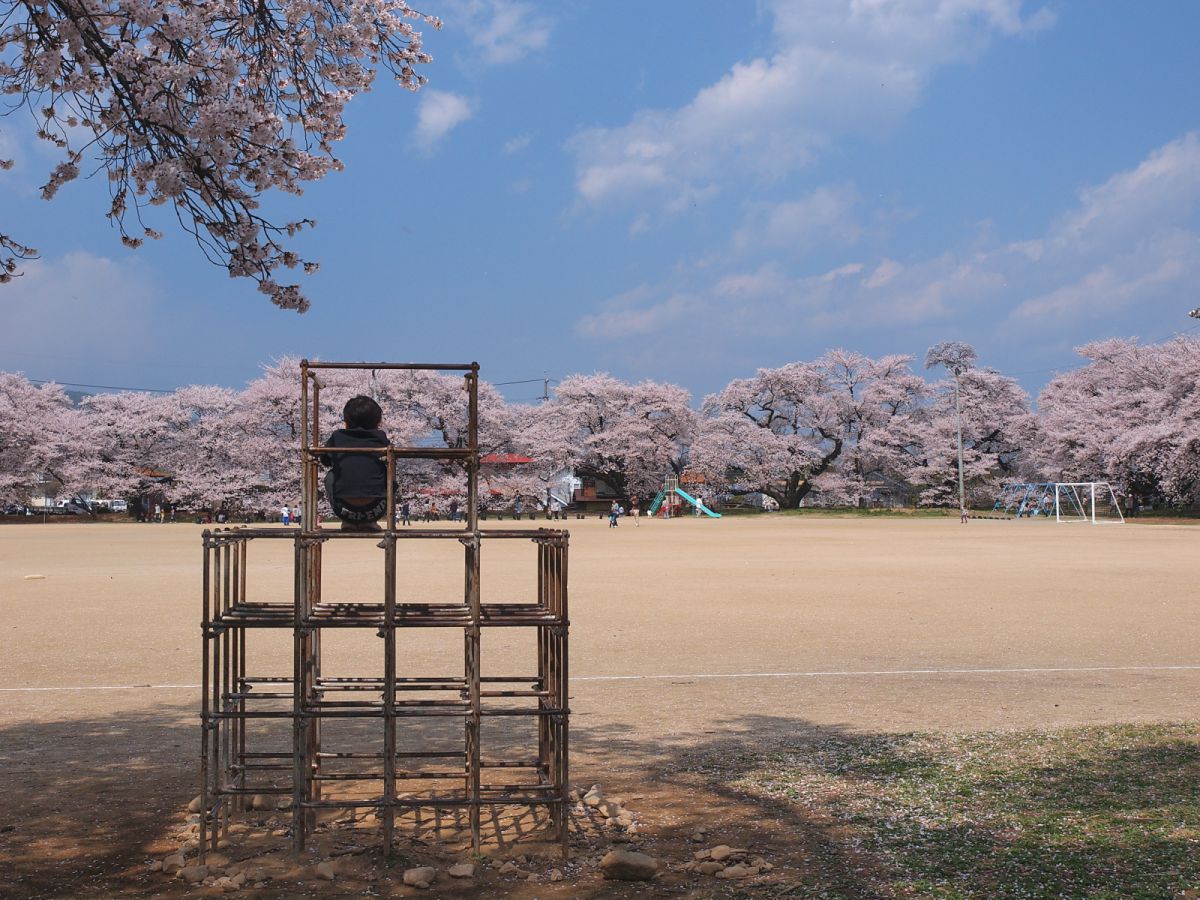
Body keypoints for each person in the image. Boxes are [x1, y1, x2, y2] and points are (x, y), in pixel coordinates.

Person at [320, 396, 389, 533]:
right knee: (388, 472)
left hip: (344, 509)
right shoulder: (381, 439)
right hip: (376, 508)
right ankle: (370, 522)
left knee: (331, 476)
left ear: (346, 422)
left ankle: (348, 522)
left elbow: (325, 461)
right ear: (377, 422)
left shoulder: (337, 437)